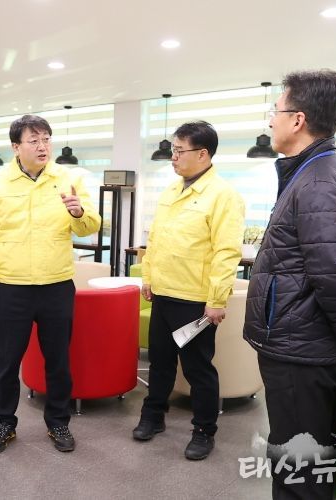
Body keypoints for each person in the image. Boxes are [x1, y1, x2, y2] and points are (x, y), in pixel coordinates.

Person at [243, 70, 336, 500]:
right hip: (301, 343)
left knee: (300, 469)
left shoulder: (318, 180)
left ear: (297, 119)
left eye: (275, 110)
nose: (270, 120)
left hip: (302, 349)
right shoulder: (312, 172)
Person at [0, 114, 101, 454]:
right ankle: (3, 422)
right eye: (34, 140)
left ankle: (58, 422)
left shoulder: (68, 179)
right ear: (16, 147)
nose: (42, 146)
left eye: (46, 139)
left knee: (58, 360)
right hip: (12, 287)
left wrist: (79, 213)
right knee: (6, 362)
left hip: (57, 285)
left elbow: (91, 227)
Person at [134, 121, 244, 461]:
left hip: (195, 300)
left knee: (198, 369)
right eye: (173, 150)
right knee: (160, 362)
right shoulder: (171, 191)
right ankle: (153, 416)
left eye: (179, 151)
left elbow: (227, 252)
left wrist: (217, 300)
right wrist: (148, 277)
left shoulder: (223, 195)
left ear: (203, 154)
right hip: (164, 293)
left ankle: (204, 430)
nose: (173, 157)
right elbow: (155, 239)